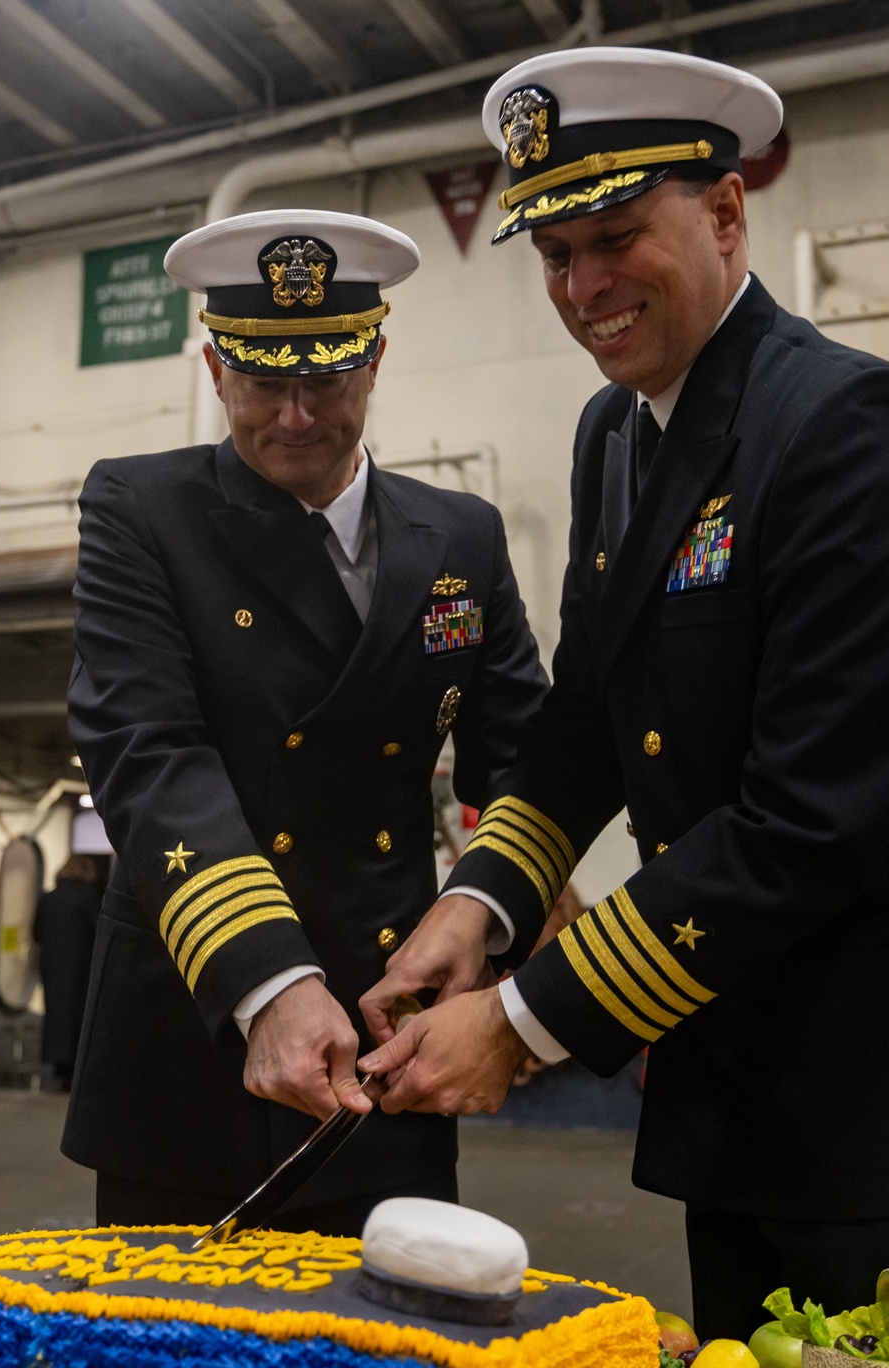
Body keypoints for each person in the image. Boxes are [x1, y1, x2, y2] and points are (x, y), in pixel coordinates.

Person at [358, 50, 889, 1331]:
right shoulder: (618, 436)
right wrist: (480, 903)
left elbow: (811, 820)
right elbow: (584, 716)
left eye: (615, 236)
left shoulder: (847, 430)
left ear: (724, 211)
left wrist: (525, 1020)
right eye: (552, 254)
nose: (583, 287)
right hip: (727, 1071)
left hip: (884, 1100)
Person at [63, 208, 547, 1234]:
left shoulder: (462, 531)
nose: (292, 414)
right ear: (212, 367)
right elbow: (147, 752)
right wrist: (268, 979)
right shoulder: (141, 509)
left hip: (388, 1040)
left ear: (373, 361)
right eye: (260, 379)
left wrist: (488, 915)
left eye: (323, 377)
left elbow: (524, 756)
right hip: (194, 1034)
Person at [34, 852, 108, 1089]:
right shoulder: (87, 898)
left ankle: (57, 1067)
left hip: (52, 967)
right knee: (78, 1015)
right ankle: (74, 1069)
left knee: (55, 1015)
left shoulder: (48, 898)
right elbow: (100, 931)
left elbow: (35, 932)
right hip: (80, 967)